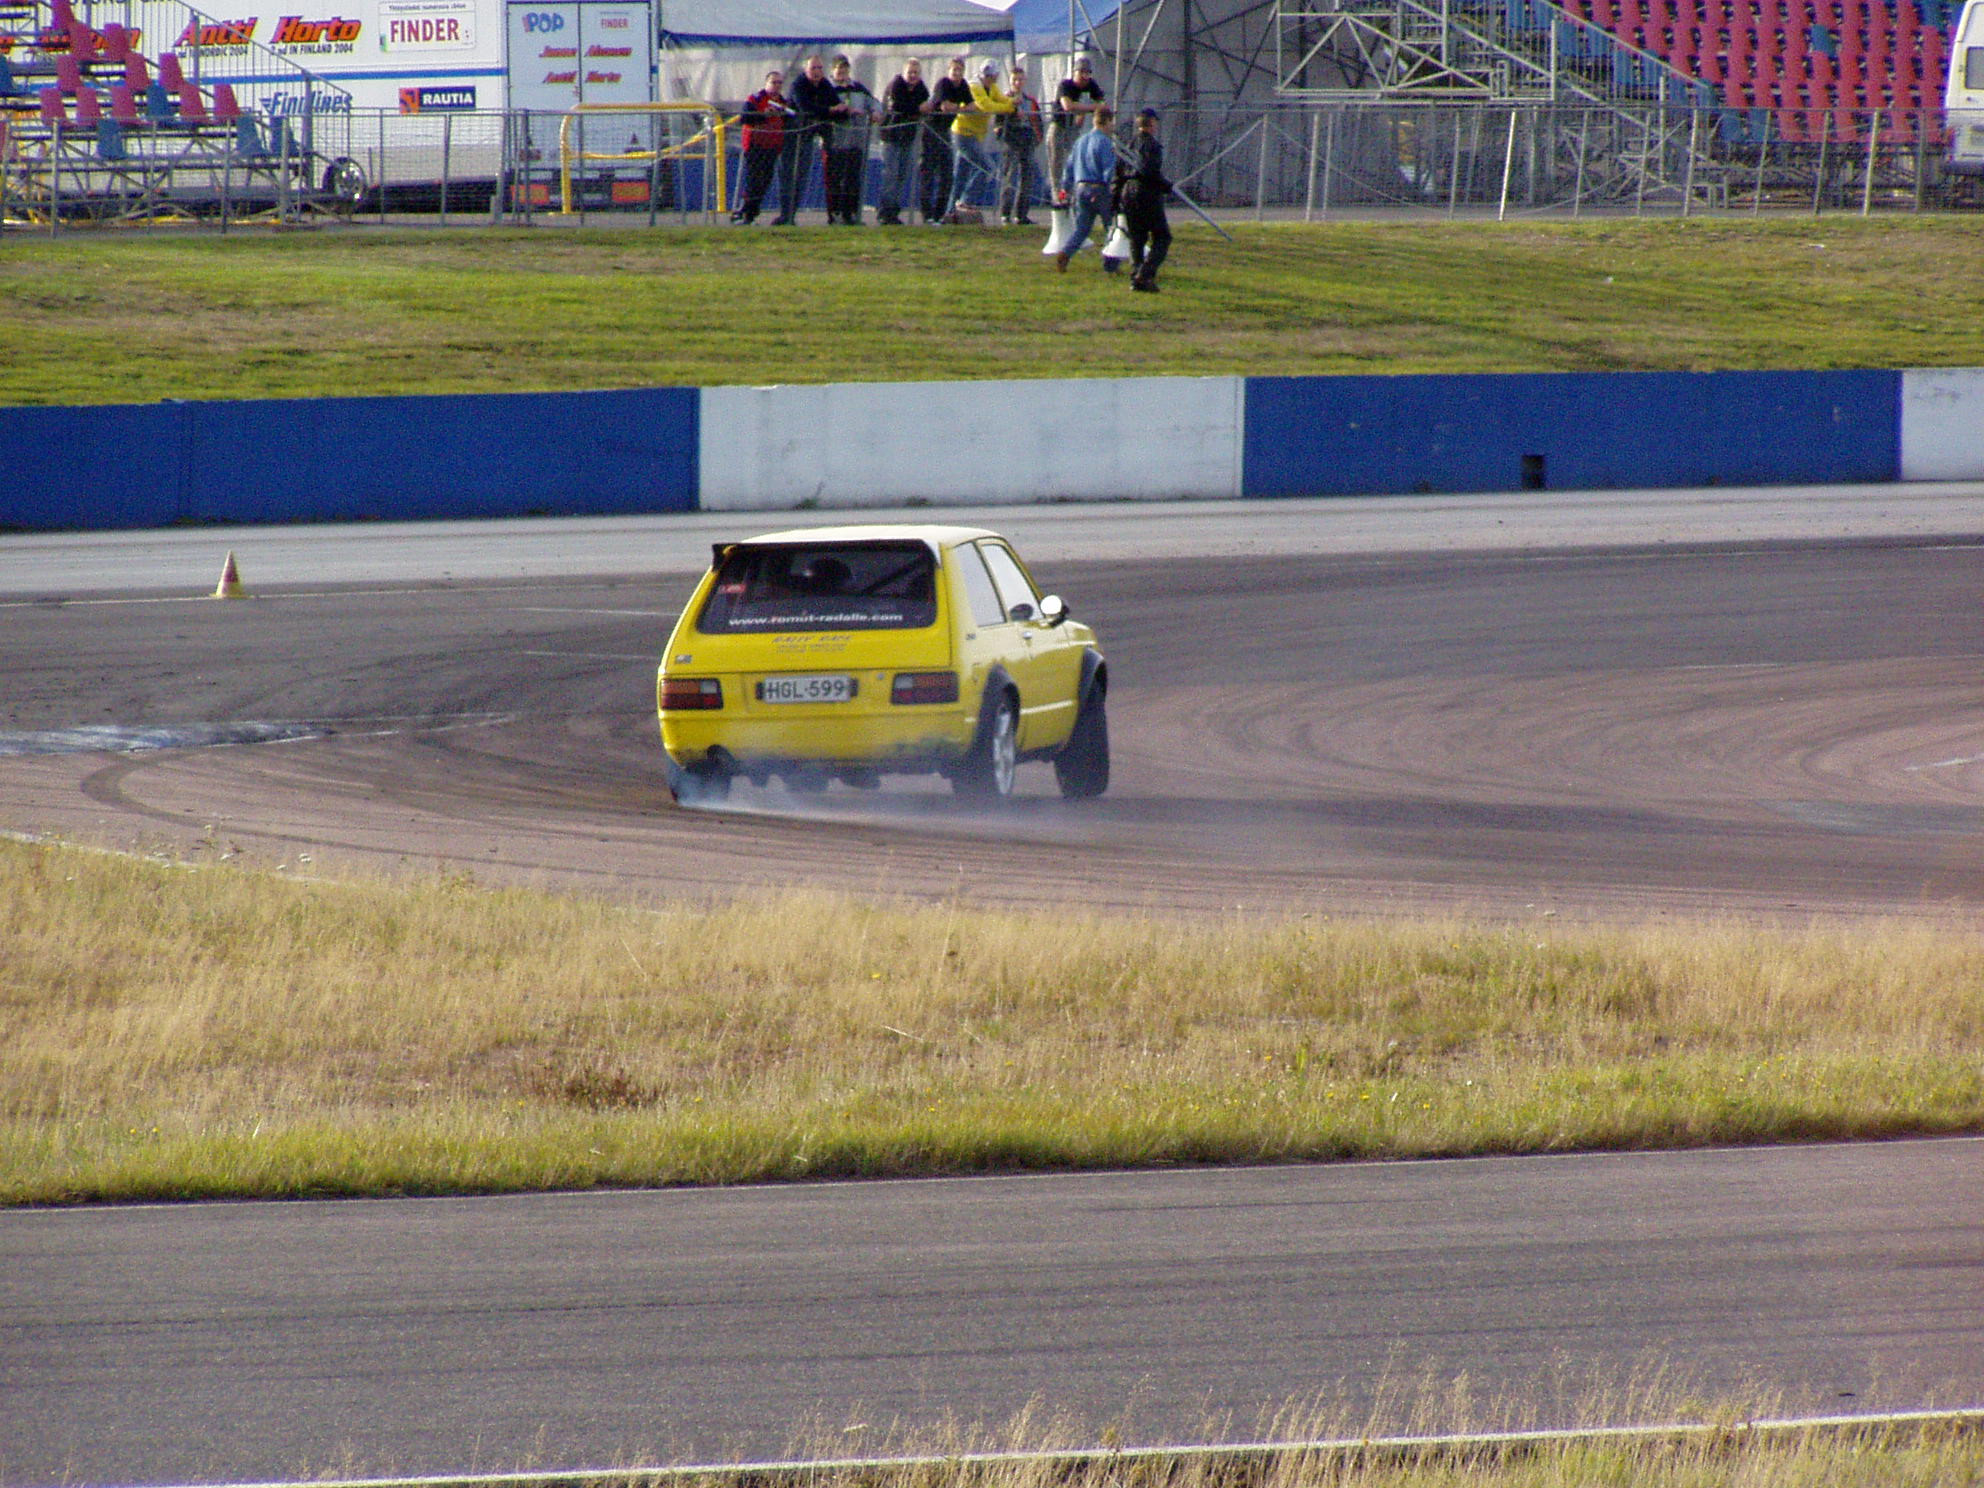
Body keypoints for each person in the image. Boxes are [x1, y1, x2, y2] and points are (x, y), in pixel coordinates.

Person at [1116, 107, 1173, 291]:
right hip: (1146, 193)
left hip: (1128, 192)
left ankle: (1137, 276)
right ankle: (1145, 273)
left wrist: (1116, 196)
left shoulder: (1129, 144)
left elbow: (1119, 171)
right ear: (1151, 124)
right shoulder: (1151, 146)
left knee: (1137, 238)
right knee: (1162, 237)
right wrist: (1165, 185)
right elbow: (1149, 172)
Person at [1054, 105, 1116, 270]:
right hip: (1099, 188)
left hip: (1080, 189)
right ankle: (1110, 263)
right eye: (1112, 122)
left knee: (1082, 229)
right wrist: (1110, 187)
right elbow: (1108, 169)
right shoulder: (1105, 142)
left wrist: (1065, 189)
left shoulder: (1080, 141)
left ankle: (1065, 253)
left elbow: (1069, 167)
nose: (1113, 126)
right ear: (1107, 121)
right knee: (1111, 227)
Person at [734, 68, 795, 225]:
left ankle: (749, 212)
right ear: (766, 83)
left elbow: (791, 118)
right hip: (755, 145)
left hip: (773, 146)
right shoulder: (755, 99)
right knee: (754, 180)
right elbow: (745, 118)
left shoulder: (783, 102)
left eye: (780, 83)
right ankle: (746, 213)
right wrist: (763, 115)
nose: (777, 86)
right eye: (773, 82)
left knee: (765, 181)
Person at [825, 55, 879, 224]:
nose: (841, 72)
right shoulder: (828, 89)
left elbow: (874, 103)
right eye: (838, 69)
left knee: (853, 178)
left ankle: (851, 214)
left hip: (856, 141)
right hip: (835, 142)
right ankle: (835, 214)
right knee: (834, 179)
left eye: (844, 68)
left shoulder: (858, 88)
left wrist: (876, 112)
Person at [952, 61, 1008, 213]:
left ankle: (950, 209)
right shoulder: (974, 86)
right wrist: (1008, 108)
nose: (989, 79)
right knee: (987, 167)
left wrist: (1011, 103)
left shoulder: (993, 88)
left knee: (961, 174)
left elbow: (1001, 100)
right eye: (987, 76)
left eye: (992, 77)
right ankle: (966, 200)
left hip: (976, 134)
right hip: (963, 133)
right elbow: (986, 106)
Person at [787, 54, 837, 222]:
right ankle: (786, 215)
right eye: (813, 68)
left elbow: (835, 102)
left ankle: (792, 215)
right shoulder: (798, 85)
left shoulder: (824, 84)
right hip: (794, 136)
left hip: (811, 136)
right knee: (790, 176)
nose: (817, 72)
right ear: (806, 70)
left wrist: (838, 109)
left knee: (803, 176)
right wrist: (829, 110)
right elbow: (805, 107)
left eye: (820, 68)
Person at [877, 57, 927, 225]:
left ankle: (893, 210)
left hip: (908, 137)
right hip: (891, 136)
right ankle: (885, 212)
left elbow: (926, 103)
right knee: (890, 174)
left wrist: (920, 109)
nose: (913, 76)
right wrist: (917, 108)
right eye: (910, 72)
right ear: (904, 72)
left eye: (916, 73)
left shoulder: (921, 88)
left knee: (902, 174)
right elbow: (897, 106)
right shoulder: (896, 85)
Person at [1049, 54, 1105, 201]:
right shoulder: (1066, 85)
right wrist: (1090, 108)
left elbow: (1103, 106)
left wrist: (1083, 110)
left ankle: (1073, 194)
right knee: (1057, 161)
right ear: (1074, 72)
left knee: (1075, 160)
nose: (1084, 76)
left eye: (1087, 73)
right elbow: (1067, 106)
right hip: (1059, 125)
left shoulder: (1091, 85)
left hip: (1073, 128)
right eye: (1081, 72)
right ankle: (1057, 196)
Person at [997, 64, 1044, 224]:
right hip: (1011, 139)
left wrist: (1037, 139)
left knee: (1027, 178)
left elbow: (1038, 121)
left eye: (1020, 80)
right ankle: (1005, 213)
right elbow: (999, 123)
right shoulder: (1005, 99)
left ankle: (1021, 214)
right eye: (1014, 80)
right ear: (1010, 82)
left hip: (1027, 139)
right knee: (1010, 176)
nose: (1018, 83)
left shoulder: (1030, 101)